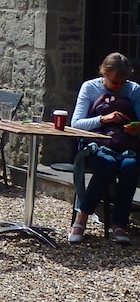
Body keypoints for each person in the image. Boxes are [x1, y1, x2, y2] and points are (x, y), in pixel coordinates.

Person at [68, 52, 140, 245]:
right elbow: (76, 124)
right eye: (114, 82)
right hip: (95, 146)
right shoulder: (90, 88)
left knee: (131, 166)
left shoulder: (133, 90)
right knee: (107, 164)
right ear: (103, 73)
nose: (118, 87)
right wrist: (103, 119)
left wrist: (135, 128)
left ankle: (119, 223)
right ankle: (81, 217)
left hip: (124, 145)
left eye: (122, 83)